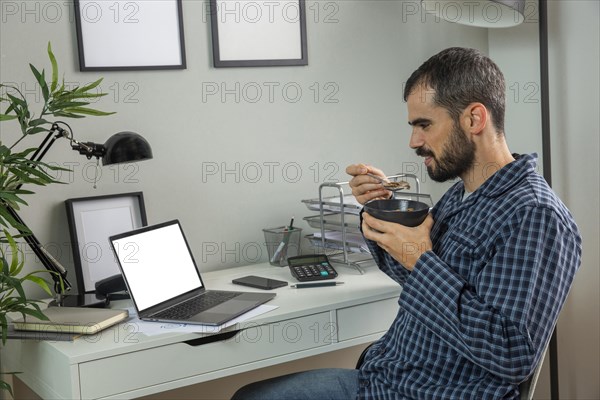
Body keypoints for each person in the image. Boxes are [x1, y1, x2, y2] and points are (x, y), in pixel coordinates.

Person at [231, 47, 582, 400]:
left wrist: (419, 259)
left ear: (474, 119)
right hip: (385, 378)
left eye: (424, 125)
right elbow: (415, 274)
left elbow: (511, 354)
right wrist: (380, 210)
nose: (414, 142)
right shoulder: (465, 193)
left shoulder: (535, 215)